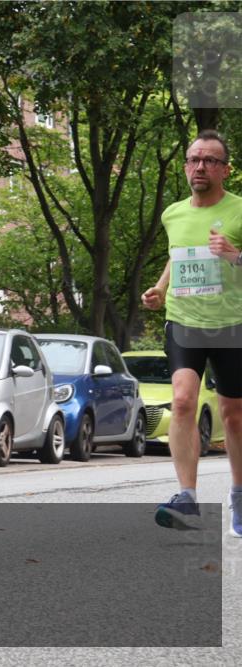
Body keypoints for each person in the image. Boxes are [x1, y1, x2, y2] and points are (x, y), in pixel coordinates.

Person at [141, 129, 242, 537]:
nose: (200, 166)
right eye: (193, 159)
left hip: (232, 324)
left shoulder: (239, 211)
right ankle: (187, 497)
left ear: (226, 170)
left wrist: (234, 256)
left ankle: (238, 493)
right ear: (186, 166)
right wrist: (161, 288)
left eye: (210, 160)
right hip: (184, 320)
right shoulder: (173, 213)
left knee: (234, 418)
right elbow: (176, 256)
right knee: (182, 402)